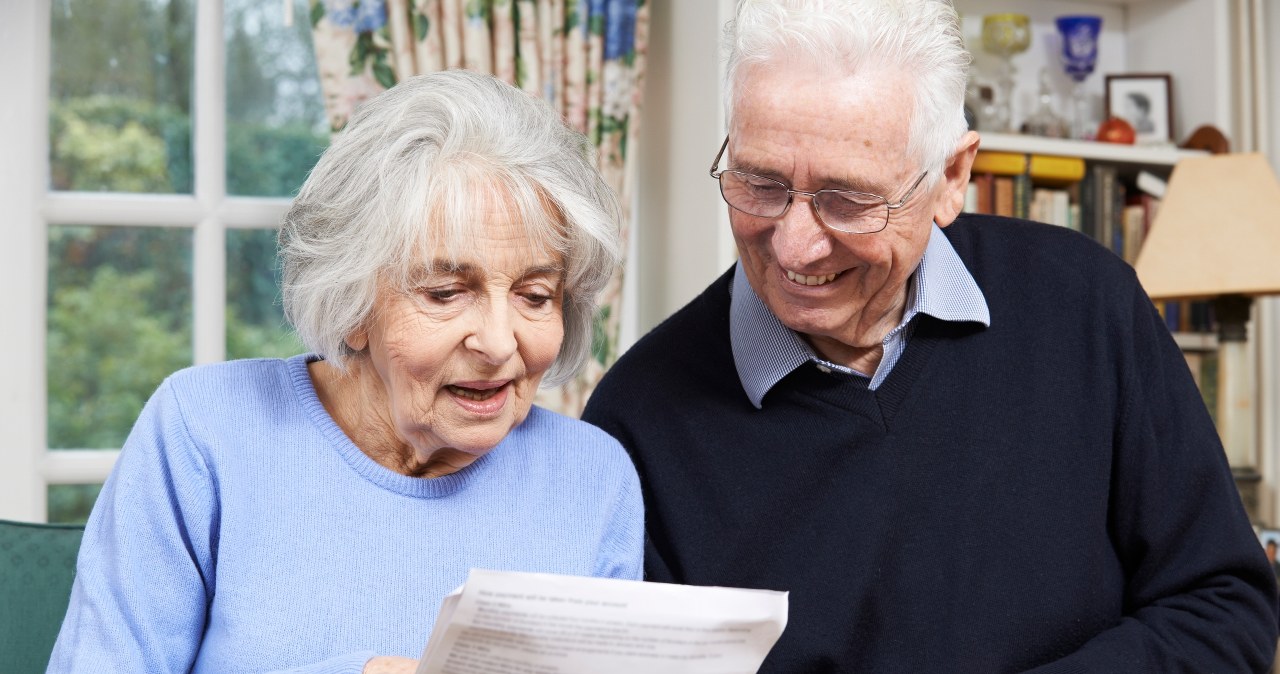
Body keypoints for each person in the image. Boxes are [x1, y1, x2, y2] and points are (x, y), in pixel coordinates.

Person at [582, 0, 1279, 671]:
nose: (794, 248)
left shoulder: (1088, 304)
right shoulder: (637, 418)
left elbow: (1223, 605)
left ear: (951, 176)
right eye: (759, 184)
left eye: (847, 200)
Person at [48, 70, 642, 674]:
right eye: (444, 292)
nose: (497, 341)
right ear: (353, 305)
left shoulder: (594, 477)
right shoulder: (204, 431)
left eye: (535, 296)